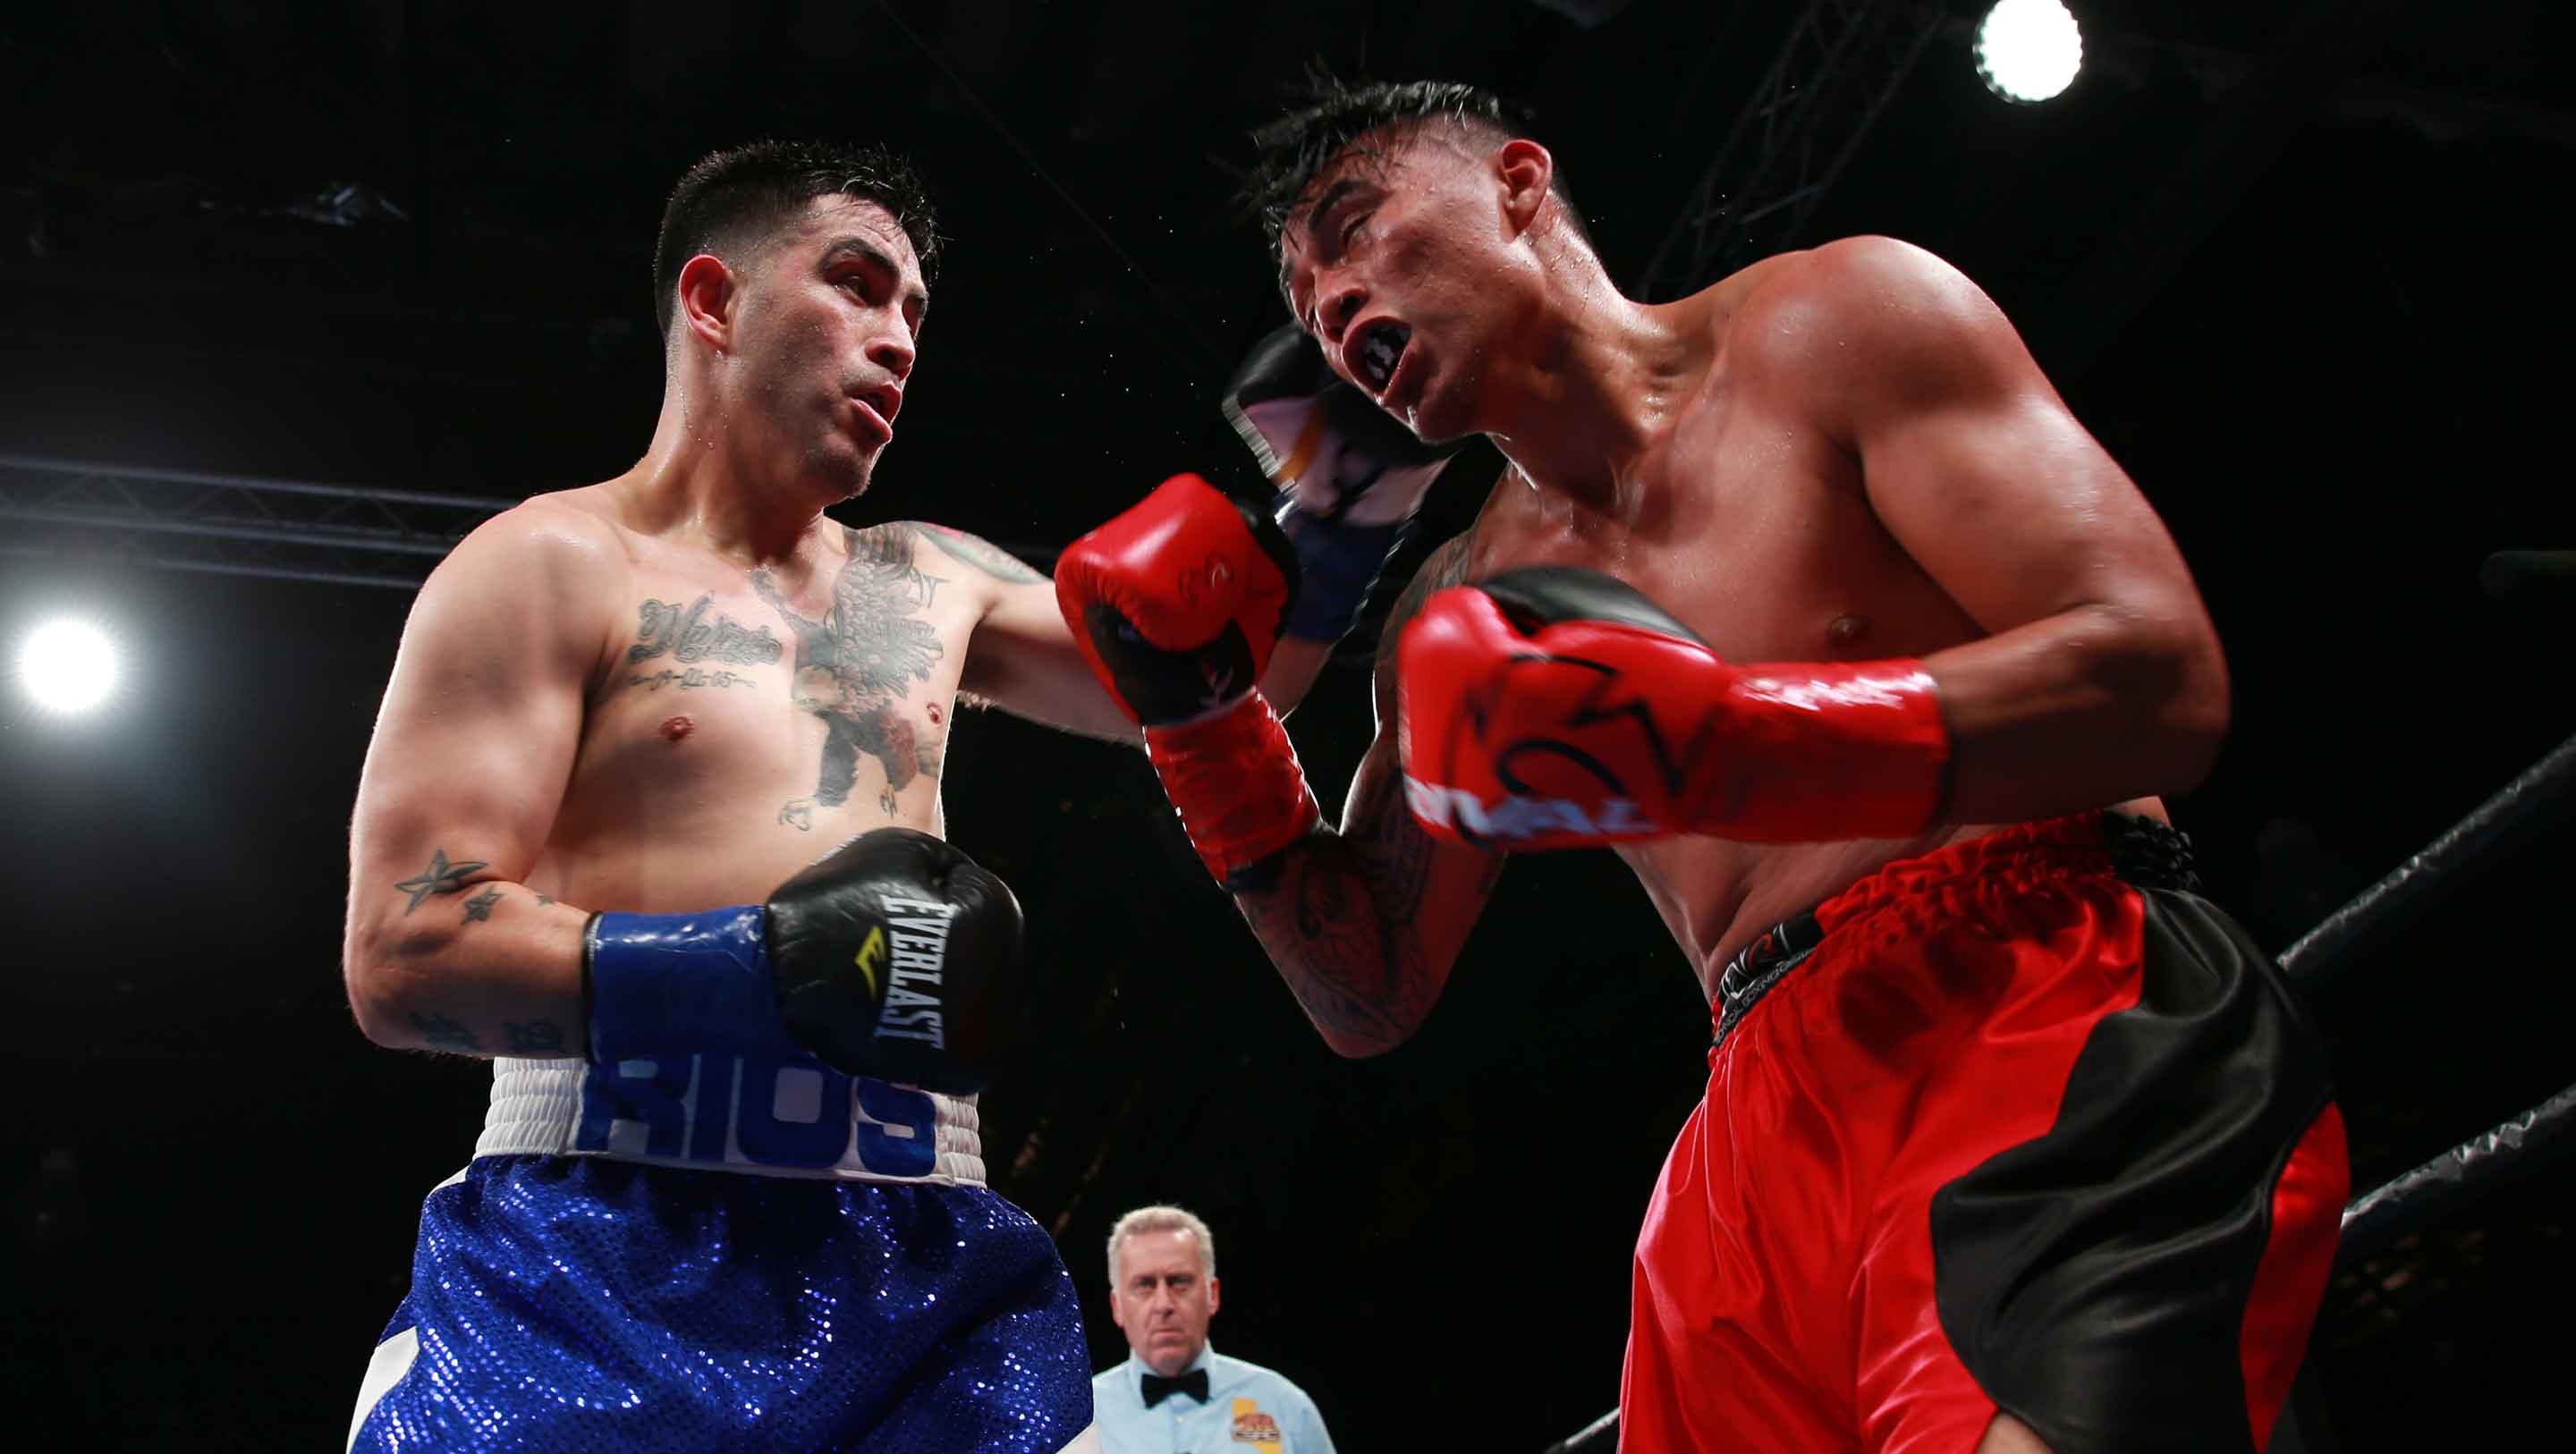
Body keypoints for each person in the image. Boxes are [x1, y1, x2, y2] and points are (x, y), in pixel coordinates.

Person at [1055, 81, 2348, 1454]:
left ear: (1516, 182)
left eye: (1358, 231)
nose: (1336, 309)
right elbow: (1369, 986)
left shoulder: (1836, 324)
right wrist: (1203, 732)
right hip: (1753, 1114)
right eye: (1309, 302)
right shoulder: (1464, 602)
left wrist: (1729, 738)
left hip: (2037, 995)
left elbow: (2159, 675)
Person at [337, 139, 1321, 1452]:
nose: (899, 339)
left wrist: (1356, 491)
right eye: (857, 285)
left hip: (920, 1259)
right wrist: (757, 967)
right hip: (596, 1243)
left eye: (916, 312)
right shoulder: (544, 564)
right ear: (713, 300)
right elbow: (403, 955)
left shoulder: (938, 580)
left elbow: (1221, 685)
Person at [1091, 1206, 1335, 1454]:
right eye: (1144, 1285)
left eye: (1180, 1282)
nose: (1164, 1304)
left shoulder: (1285, 1406)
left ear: (1213, 1295)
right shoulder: (1079, 1420)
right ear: (1117, 1306)